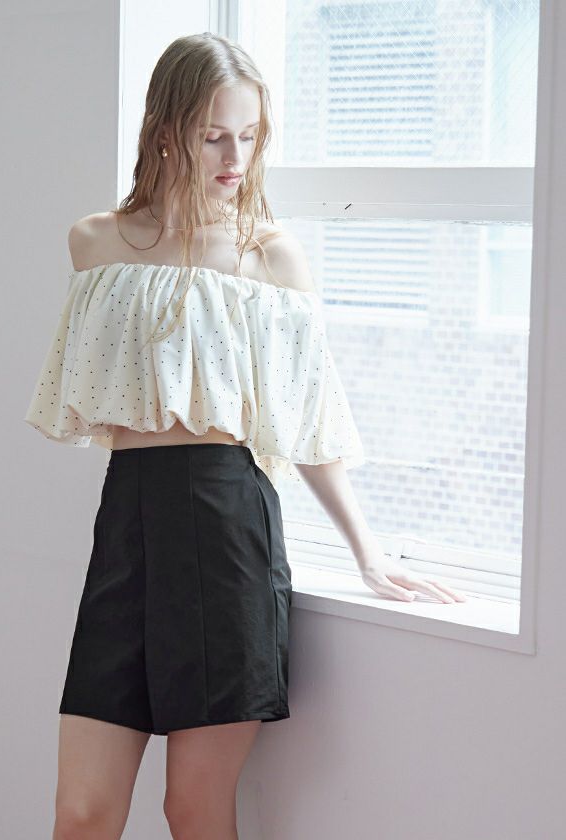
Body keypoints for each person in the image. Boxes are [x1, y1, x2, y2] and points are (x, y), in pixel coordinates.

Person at [24, 31, 467, 840]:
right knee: (82, 814)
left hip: (226, 531)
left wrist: (368, 551)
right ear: (166, 132)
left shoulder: (269, 258)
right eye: (214, 136)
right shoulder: (95, 243)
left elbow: (307, 419)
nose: (236, 157)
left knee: (193, 809)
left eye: (250, 135)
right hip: (127, 532)